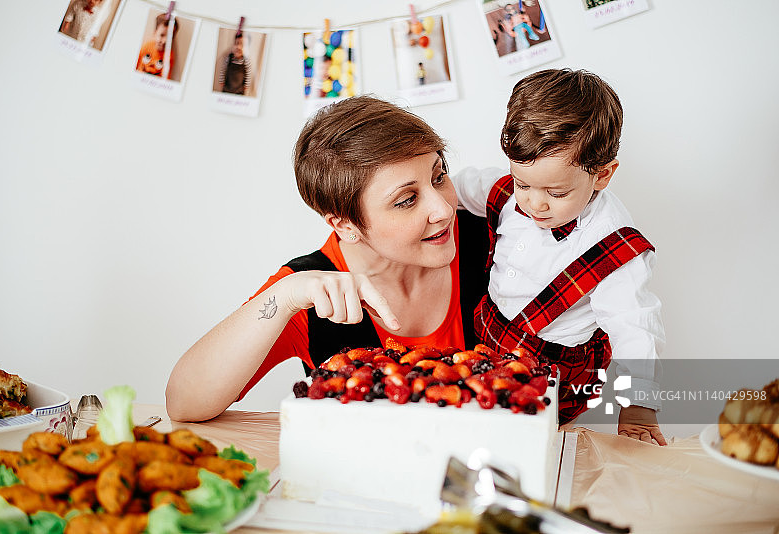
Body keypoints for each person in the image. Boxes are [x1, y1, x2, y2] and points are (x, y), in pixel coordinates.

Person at [166, 96, 490, 423]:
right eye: (407, 200)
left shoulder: (498, 240)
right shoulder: (304, 289)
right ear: (345, 225)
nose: (444, 209)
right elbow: (183, 402)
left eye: (438, 176)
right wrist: (283, 297)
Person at [452, 69, 667, 445]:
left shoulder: (612, 245)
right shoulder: (507, 189)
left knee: (534, 444)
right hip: (489, 337)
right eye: (523, 183)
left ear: (602, 175)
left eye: (555, 191)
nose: (535, 202)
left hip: (555, 370)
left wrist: (638, 406)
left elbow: (635, 328)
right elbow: (457, 189)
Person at [136, 13, 178, 78]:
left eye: (169, 37)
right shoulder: (146, 46)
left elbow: (166, 78)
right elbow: (134, 67)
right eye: (162, 35)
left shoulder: (169, 56)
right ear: (155, 32)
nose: (165, 41)